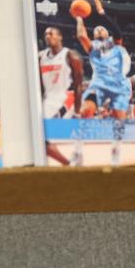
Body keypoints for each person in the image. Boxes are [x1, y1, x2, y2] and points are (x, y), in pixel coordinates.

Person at [74, 0, 131, 166]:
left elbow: (117, 32)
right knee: (85, 112)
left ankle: (116, 150)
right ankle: (78, 151)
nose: (99, 30)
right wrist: (79, 17)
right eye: (96, 30)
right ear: (93, 35)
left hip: (119, 84)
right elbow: (81, 35)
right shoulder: (92, 47)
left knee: (119, 119)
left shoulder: (116, 43)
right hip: (99, 83)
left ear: (107, 34)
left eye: (102, 29)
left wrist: (101, 12)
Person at [39, 26, 84, 166]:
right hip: (48, 100)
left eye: (51, 34)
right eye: (46, 34)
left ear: (60, 37)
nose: (48, 36)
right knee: (40, 139)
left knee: (41, 138)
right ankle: (72, 162)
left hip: (65, 99)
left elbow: (78, 85)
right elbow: (40, 85)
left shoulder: (71, 55)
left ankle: (71, 161)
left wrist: (77, 111)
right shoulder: (40, 57)